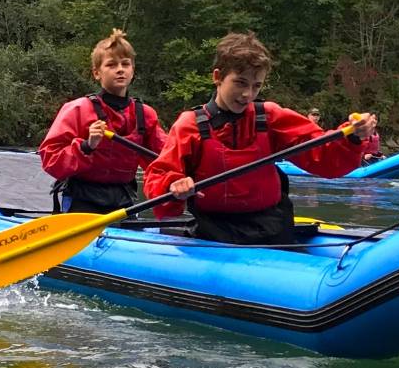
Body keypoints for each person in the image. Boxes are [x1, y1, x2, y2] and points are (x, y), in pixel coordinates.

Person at [144, 31, 378, 244]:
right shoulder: (190, 125)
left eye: (256, 86)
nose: (247, 94)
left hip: (272, 226)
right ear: (218, 77)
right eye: (240, 83)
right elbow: (159, 175)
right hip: (215, 232)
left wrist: (353, 137)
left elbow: (324, 157)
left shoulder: (271, 117)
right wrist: (174, 184)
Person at [38, 29, 167, 213]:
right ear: (97, 73)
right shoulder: (78, 110)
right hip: (82, 199)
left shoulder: (145, 115)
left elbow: (165, 159)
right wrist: (87, 146)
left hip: (123, 201)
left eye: (125, 64)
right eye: (111, 65)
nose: (120, 69)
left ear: (133, 70)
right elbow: (50, 160)